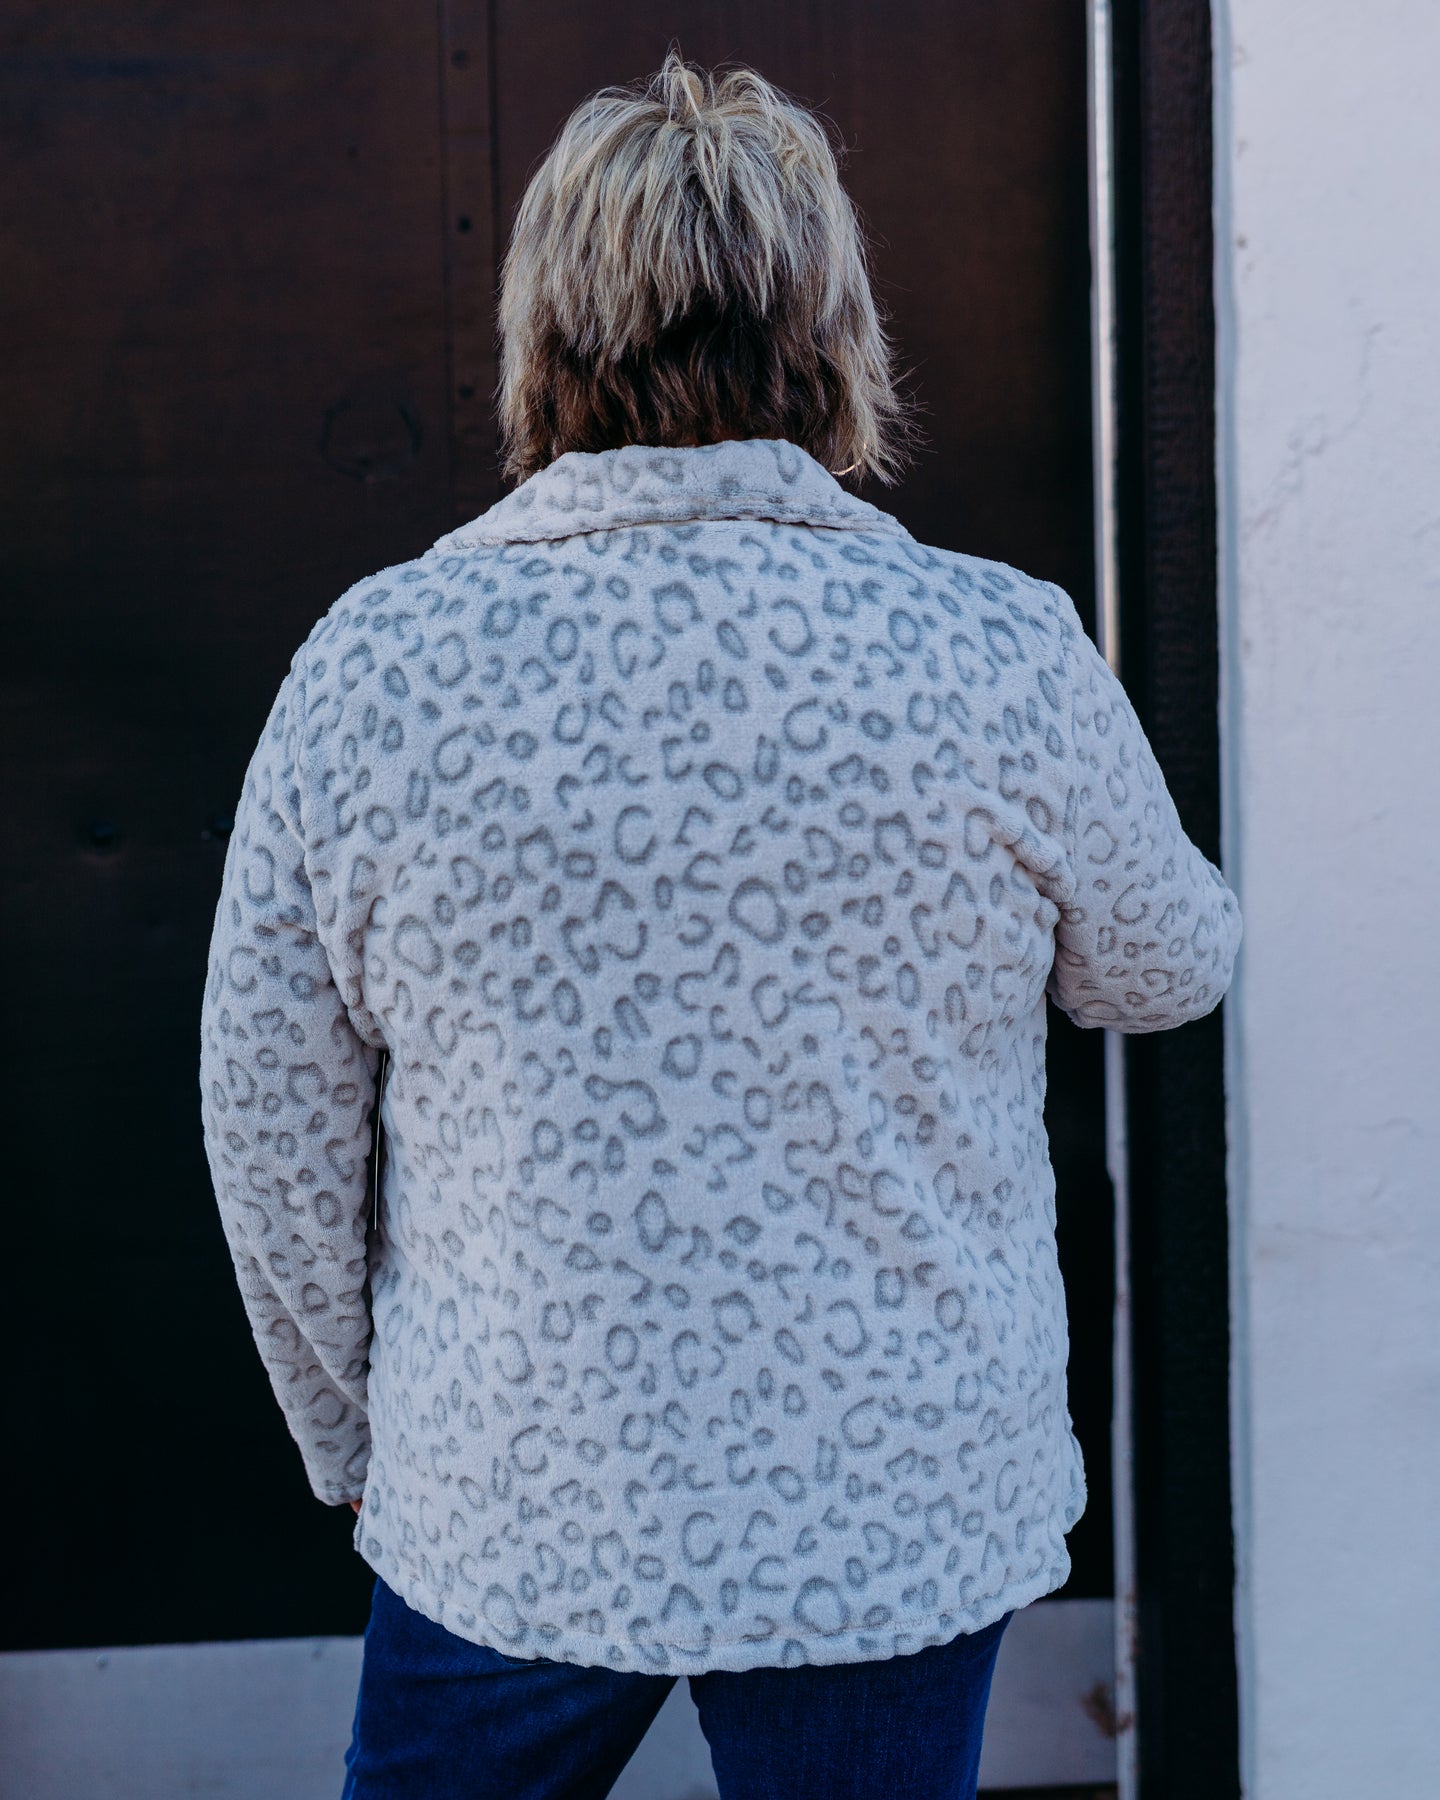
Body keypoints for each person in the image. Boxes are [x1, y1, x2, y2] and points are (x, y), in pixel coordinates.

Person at [200, 52, 1241, 1800]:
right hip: (888, 1506)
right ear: (835, 335)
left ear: (545, 333)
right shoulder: (998, 651)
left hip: (513, 1493)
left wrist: (364, 1443)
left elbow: (265, 1121)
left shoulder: (375, 666)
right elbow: (1168, 967)